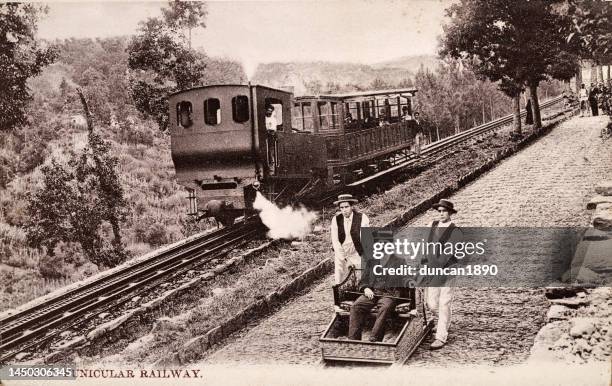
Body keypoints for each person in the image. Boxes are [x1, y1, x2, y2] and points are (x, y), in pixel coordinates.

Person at [418, 199, 462, 350]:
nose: (442, 214)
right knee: (431, 303)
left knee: (444, 302)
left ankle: (441, 336)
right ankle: (445, 320)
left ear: (450, 213)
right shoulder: (432, 225)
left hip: (448, 270)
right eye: (440, 211)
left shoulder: (455, 231)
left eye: (444, 211)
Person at [348, 250, 410, 342]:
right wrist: (366, 288)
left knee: (385, 308)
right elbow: (364, 280)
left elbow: (407, 279)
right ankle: (353, 340)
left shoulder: (400, 261)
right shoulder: (372, 261)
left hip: (389, 294)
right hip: (373, 292)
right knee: (356, 306)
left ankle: (374, 338)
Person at [330, 194, 370, 284]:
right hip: (342, 253)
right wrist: (346, 259)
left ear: (352, 206)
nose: (344, 210)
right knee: (341, 279)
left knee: (360, 278)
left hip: (357, 252)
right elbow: (335, 242)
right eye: (342, 208)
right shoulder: (336, 220)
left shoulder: (362, 218)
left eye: (346, 207)